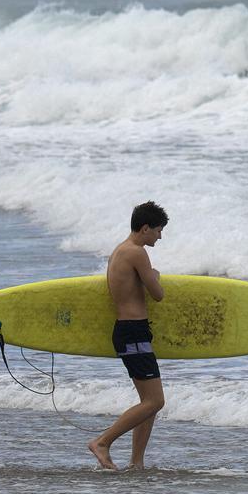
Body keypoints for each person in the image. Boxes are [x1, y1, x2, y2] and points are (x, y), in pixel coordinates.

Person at [87, 201, 168, 471]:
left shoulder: (119, 251)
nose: (159, 236)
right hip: (133, 332)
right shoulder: (136, 252)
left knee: (149, 403)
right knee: (155, 401)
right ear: (145, 228)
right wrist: (155, 276)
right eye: (158, 230)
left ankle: (136, 462)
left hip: (131, 332)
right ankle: (102, 442)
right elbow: (157, 294)